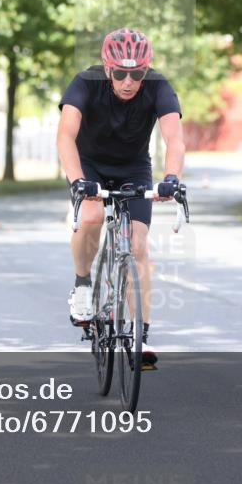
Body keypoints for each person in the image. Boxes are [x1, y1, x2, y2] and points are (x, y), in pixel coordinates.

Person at [56, 27, 185, 366]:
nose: (129, 81)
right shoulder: (85, 83)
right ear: (107, 67)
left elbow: (175, 139)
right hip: (90, 166)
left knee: (138, 246)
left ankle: (140, 337)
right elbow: (65, 136)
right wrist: (77, 182)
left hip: (134, 168)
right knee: (93, 217)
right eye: (121, 73)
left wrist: (172, 178)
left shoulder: (159, 87)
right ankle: (83, 283)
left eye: (137, 73)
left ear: (147, 69)